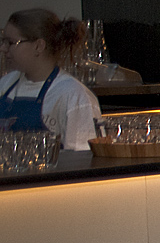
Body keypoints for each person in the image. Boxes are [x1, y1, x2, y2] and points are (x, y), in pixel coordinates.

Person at [0, 9, 100, 148]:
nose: (3, 49)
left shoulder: (72, 95)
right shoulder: (5, 84)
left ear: (38, 46)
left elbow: (82, 157)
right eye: (3, 41)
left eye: (11, 42)